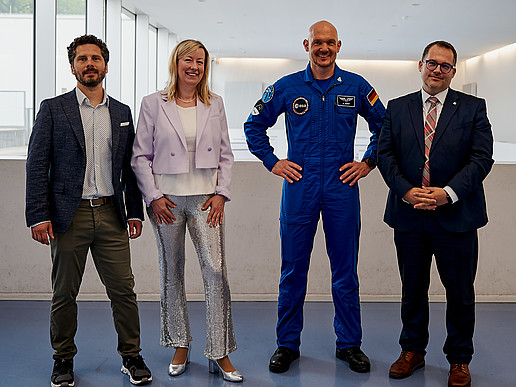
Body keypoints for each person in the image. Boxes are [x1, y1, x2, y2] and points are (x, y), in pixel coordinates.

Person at [244, 20, 385, 374]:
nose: (323, 48)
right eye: (316, 43)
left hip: (341, 187)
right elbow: (253, 125)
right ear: (306, 45)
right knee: (293, 270)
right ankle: (287, 344)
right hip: (300, 186)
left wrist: (367, 163)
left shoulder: (357, 86)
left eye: (329, 43)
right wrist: (274, 162)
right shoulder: (287, 87)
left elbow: (385, 127)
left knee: (345, 272)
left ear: (339, 46)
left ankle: (349, 344)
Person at [25, 35, 152, 386]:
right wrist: (38, 214)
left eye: (95, 58)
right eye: (82, 59)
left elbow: (129, 168)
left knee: (124, 291)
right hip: (69, 216)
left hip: (112, 214)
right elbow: (37, 165)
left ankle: (131, 355)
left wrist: (134, 212)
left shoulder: (122, 112)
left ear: (106, 66)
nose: (89, 64)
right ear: (73, 67)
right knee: (64, 292)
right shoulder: (53, 109)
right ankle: (62, 359)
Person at [377, 41, 493, 387]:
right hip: (409, 214)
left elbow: (481, 158)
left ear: (453, 72)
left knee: (459, 292)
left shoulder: (472, 108)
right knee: (412, 289)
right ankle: (412, 350)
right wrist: (406, 191)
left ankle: (459, 359)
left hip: (456, 217)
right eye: (432, 63)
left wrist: (448, 194)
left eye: (446, 65)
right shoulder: (397, 108)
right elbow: (385, 154)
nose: (437, 70)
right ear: (420, 64)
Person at [131, 39, 242, 382]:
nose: (194, 66)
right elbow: (140, 156)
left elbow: (225, 153)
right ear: (176, 63)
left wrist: (222, 193)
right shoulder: (153, 103)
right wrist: (152, 196)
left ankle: (219, 350)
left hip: (205, 199)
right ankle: (180, 343)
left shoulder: (215, 104)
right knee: (171, 271)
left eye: (200, 62)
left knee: (216, 271)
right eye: (188, 60)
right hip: (167, 201)